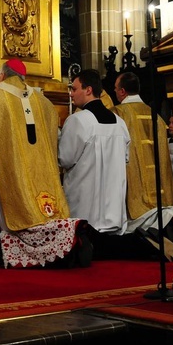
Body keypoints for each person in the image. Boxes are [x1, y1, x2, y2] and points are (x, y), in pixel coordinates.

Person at [0, 59, 91, 268]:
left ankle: (25, 245)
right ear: (22, 77)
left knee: (14, 212)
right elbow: (56, 134)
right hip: (42, 170)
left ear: (2, 76)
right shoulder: (42, 101)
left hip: (15, 169)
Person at [59, 69, 131, 254]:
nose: (71, 93)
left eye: (74, 89)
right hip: (114, 215)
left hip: (86, 213)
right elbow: (125, 158)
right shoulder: (119, 122)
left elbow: (65, 159)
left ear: (88, 89)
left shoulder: (78, 121)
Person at [113, 72, 173, 258]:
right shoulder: (156, 117)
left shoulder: (118, 113)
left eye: (116, 88)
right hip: (159, 187)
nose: (115, 92)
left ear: (122, 91)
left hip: (133, 185)